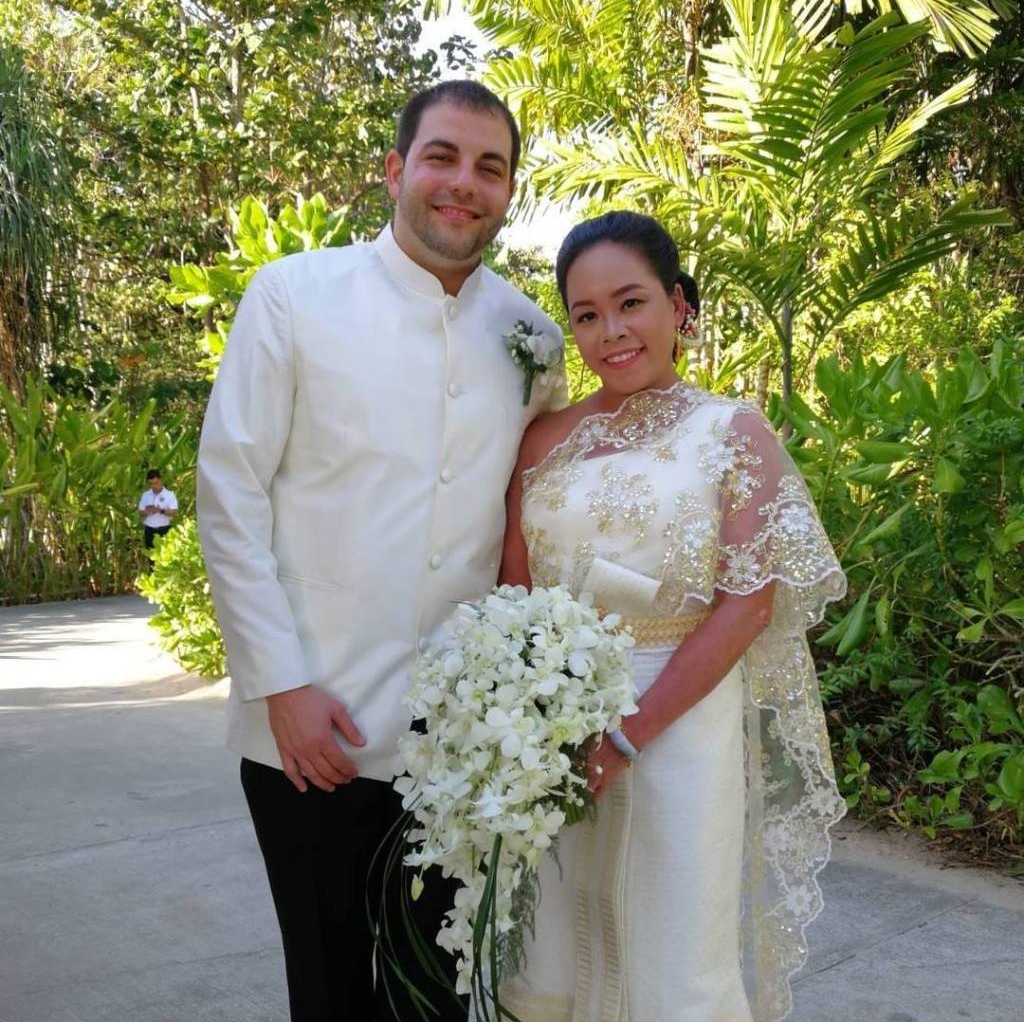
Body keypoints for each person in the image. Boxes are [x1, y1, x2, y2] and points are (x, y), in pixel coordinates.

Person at [196, 80, 566, 1022]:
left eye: (490, 167)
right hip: (310, 732)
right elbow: (229, 496)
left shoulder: (531, 334)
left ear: (509, 189)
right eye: (442, 156)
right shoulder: (294, 296)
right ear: (397, 168)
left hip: (460, 753)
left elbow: (533, 513)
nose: (463, 183)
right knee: (328, 993)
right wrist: (280, 684)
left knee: (436, 998)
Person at [497, 211, 846, 1022]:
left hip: (683, 714)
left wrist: (629, 732)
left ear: (680, 305)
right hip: (554, 718)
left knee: (670, 952)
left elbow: (747, 605)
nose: (610, 332)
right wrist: (536, 715)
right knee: (554, 945)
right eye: (586, 314)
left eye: (631, 303)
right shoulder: (541, 439)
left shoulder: (734, 432)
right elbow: (515, 589)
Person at [139, 469, 178, 549]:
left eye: (155, 483)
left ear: (161, 480)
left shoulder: (169, 495)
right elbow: (141, 512)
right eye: (151, 484)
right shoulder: (145, 495)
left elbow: (174, 512)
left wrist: (161, 510)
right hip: (149, 530)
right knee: (151, 557)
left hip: (164, 530)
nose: (153, 486)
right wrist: (149, 511)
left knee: (165, 557)